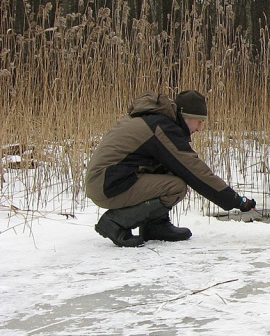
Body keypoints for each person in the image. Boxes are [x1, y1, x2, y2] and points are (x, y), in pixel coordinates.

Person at [85, 90, 256, 247]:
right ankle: (116, 222)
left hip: (109, 180)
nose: (199, 128)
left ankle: (155, 227)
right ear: (186, 117)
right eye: (199, 122)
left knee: (171, 168)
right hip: (107, 184)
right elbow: (197, 172)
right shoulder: (161, 128)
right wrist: (237, 201)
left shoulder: (155, 121)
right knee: (176, 187)